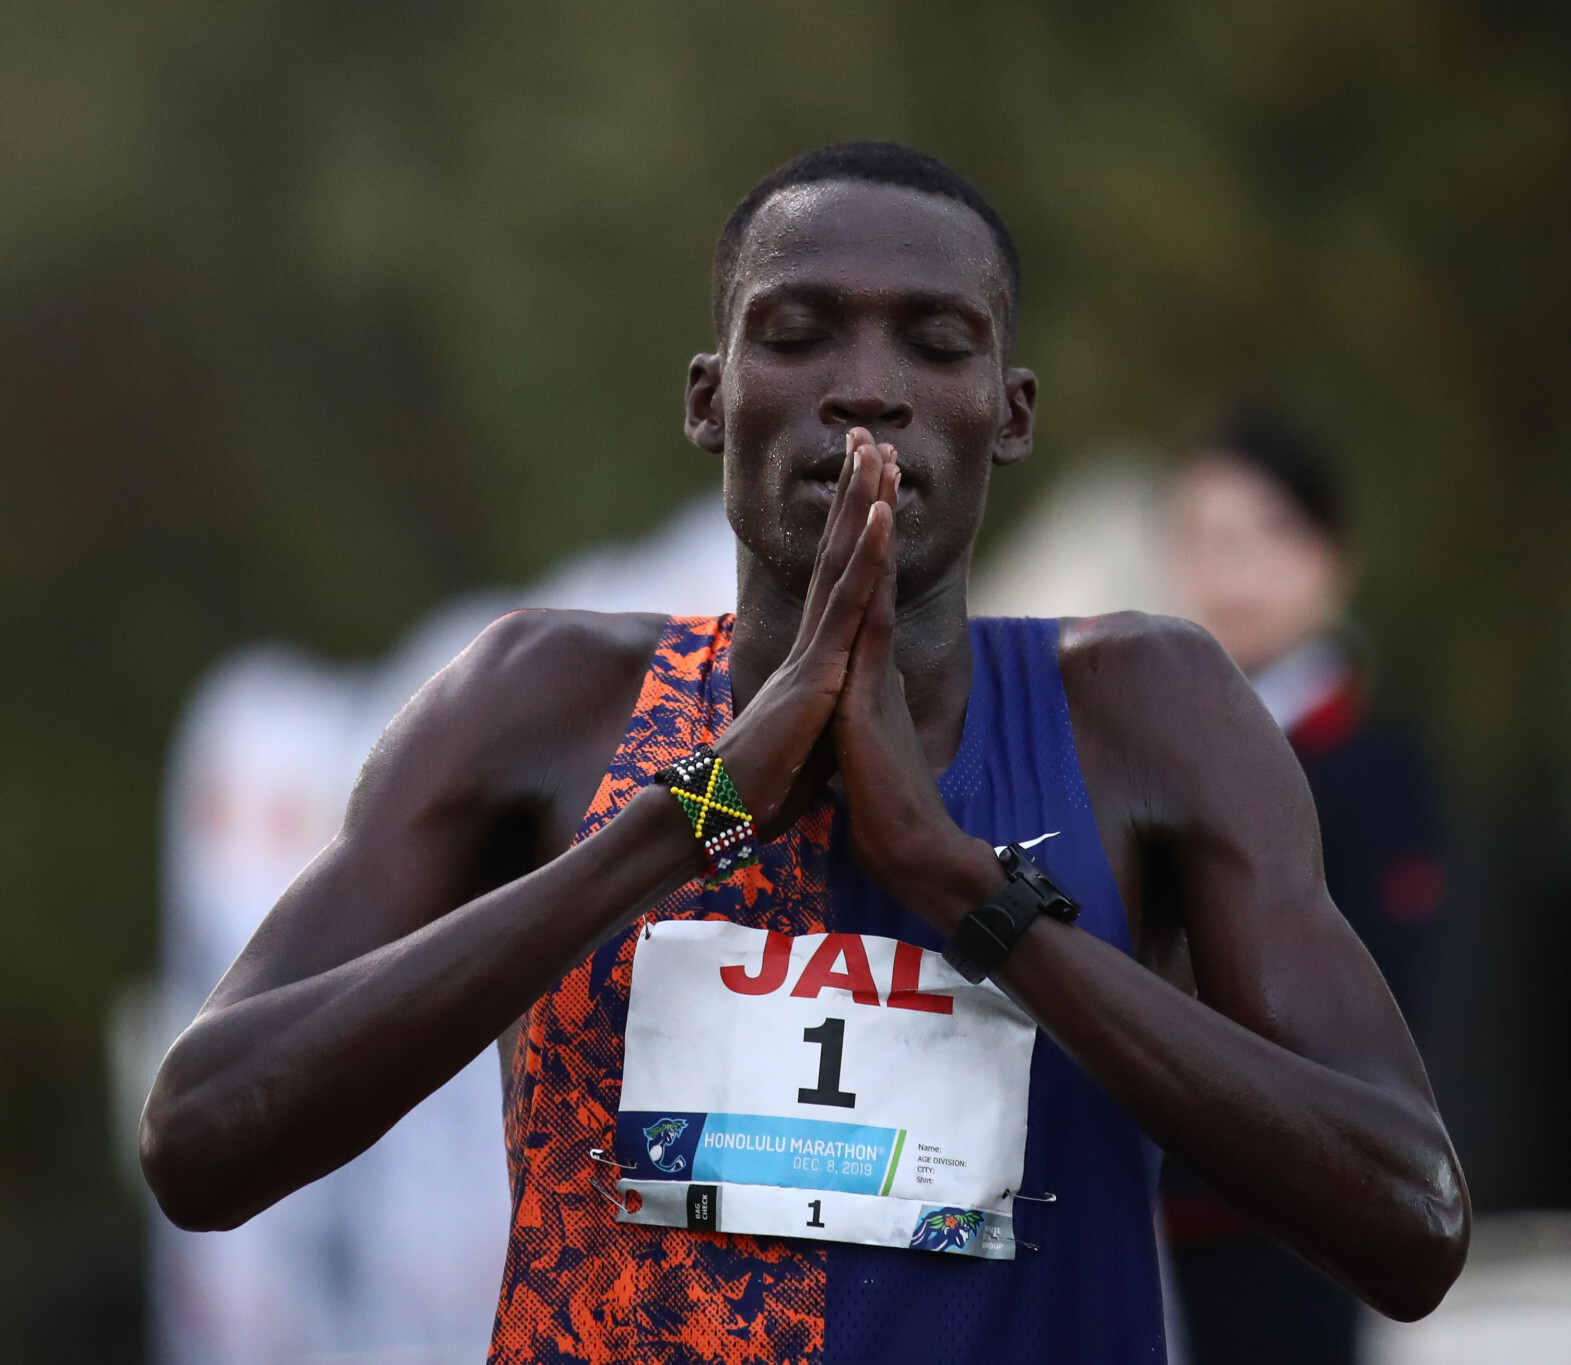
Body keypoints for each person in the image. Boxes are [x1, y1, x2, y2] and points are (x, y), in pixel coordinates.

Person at [140, 141, 1468, 1365]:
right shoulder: (543, 699)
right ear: (709, 399)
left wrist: (963, 886)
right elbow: (200, 1140)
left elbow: (1411, 1220)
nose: (867, 389)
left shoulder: (1144, 712)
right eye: (796, 333)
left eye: (934, 343)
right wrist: (694, 813)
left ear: (1010, 415)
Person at [1160, 410, 1449, 1364]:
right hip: (1150, 1210)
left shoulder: (1374, 767)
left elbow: (1372, 1005)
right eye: (1205, 540)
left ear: (1331, 558)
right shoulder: (1149, 756)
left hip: (1299, 1215)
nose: (1231, 574)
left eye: (1262, 537)